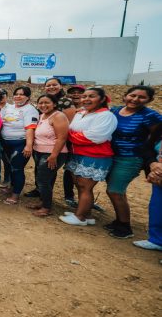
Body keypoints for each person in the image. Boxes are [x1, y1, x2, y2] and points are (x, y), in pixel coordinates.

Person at [104, 85, 162, 238]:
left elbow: (157, 137)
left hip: (131, 158)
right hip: (111, 155)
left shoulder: (151, 116)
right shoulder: (115, 111)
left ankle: (125, 227)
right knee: (112, 189)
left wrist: (153, 160)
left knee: (115, 190)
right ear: (125, 96)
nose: (135, 99)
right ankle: (119, 221)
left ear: (149, 100)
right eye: (133, 95)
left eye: (141, 97)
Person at [60, 88, 117, 226]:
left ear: (102, 99)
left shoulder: (106, 116)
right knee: (79, 185)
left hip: (94, 156)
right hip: (78, 154)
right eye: (84, 96)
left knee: (85, 187)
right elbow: (73, 130)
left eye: (91, 96)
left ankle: (79, 217)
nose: (86, 99)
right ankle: (87, 214)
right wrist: (70, 134)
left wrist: (68, 136)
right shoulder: (82, 113)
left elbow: (94, 137)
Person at [26, 95, 69, 217]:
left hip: (52, 153)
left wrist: (54, 155)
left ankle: (46, 207)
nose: (43, 105)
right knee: (45, 178)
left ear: (54, 104)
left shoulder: (59, 116)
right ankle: (43, 201)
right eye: (40, 103)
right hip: (39, 151)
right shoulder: (41, 116)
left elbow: (62, 138)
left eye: (47, 103)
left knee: (43, 180)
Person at [0, 86, 38, 204]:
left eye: (22, 94)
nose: (18, 96)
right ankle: (11, 188)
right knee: (10, 167)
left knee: (17, 169)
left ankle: (15, 195)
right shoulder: (9, 107)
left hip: (20, 143)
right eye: (16, 94)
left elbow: (30, 129)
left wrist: (28, 145)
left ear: (28, 97)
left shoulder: (30, 110)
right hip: (6, 143)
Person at [136, 127, 162, 251]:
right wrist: (153, 164)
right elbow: (147, 147)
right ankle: (156, 239)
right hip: (159, 175)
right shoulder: (160, 127)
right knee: (157, 206)